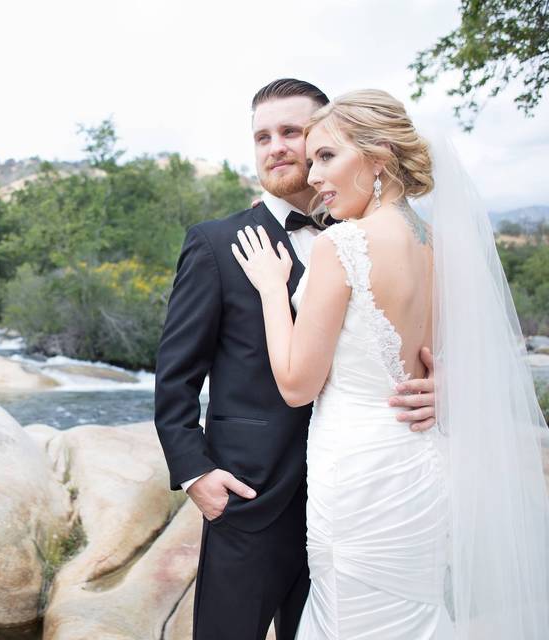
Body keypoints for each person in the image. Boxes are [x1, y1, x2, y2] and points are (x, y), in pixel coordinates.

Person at [231, 89, 549, 638]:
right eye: (313, 162)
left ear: (377, 159)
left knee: (352, 616)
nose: (316, 177)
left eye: (327, 157)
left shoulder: (342, 245)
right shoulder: (441, 246)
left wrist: (269, 290)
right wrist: (444, 385)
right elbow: (443, 356)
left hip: (358, 473)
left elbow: (296, 385)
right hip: (419, 467)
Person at [153, 79, 437, 640]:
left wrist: (441, 383)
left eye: (292, 132)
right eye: (262, 136)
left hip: (361, 496)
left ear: (327, 139)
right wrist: (195, 472)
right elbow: (175, 376)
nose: (276, 146)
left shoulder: (380, 236)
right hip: (251, 496)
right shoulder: (216, 243)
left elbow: (417, 343)